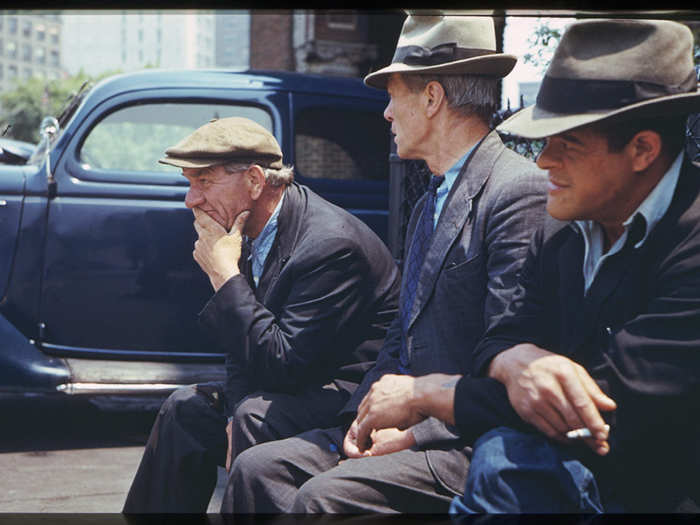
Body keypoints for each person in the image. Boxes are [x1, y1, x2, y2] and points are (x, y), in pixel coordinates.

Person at [354, 19, 700, 513]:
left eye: (568, 144)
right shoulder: (568, 227)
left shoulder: (690, 243)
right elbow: (497, 337)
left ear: (642, 149)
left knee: (505, 471)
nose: (543, 162)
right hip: (573, 474)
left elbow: (603, 404)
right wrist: (514, 361)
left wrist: (429, 392)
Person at [224, 14, 547, 513]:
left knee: (322, 496)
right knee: (256, 468)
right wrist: (363, 420)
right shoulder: (429, 203)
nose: (387, 114)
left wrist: (416, 432)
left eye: (394, 96)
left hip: (469, 443)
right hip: (409, 426)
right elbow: (401, 337)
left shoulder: (515, 190)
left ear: (433, 98)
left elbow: (507, 354)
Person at [122, 116, 400, 513]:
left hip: (345, 398)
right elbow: (241, 349)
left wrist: (224, 276)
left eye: (204, 182)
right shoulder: (248, 227)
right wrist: (232, 412)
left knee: (256, 414)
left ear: (254, 181)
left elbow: (284, 365)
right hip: (292, 381)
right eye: (189, 183)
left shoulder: (329, 244)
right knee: (185, 410)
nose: (191, 200)